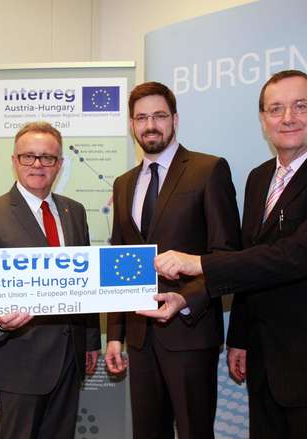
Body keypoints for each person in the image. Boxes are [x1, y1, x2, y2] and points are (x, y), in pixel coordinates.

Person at [154, 70, 307, 439]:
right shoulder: (258, 178)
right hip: (264, 360)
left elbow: (299, 254)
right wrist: (238, 335)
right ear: (263, 120)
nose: (288, 117)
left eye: (299, 106)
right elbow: (249, 260)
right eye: (276, 109)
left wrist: (199, 263)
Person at [104, 81, 241, 439]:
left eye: (160, 115)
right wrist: (115, 335)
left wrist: (186, 299)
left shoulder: (208, 170)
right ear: (132, 125)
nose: (151, 124)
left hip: (190, 332)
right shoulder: (123, 183)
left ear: (175, 119)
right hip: (140, 336)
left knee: (195, 432)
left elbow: (227, 255)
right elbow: (120, 260)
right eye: (142, 117)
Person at [0, 121, 101, 439]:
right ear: (14, 161)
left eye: (48, 158)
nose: (38, 164)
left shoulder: (75, 212)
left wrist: (91, 340)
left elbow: (86, 282)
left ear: (60, 165)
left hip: (69, 358)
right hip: (18, 362)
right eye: (29, 156)